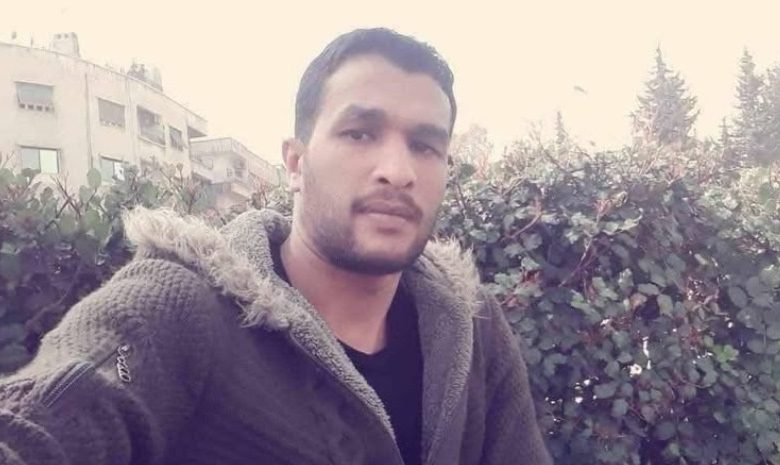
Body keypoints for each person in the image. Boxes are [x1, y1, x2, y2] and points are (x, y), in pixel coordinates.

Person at [0, 28, 552, 465]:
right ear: (295, 162)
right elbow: (46, 418)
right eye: (360, 133)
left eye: (425, 145)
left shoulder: (471, 325)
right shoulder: (180, 308)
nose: (398, 170)